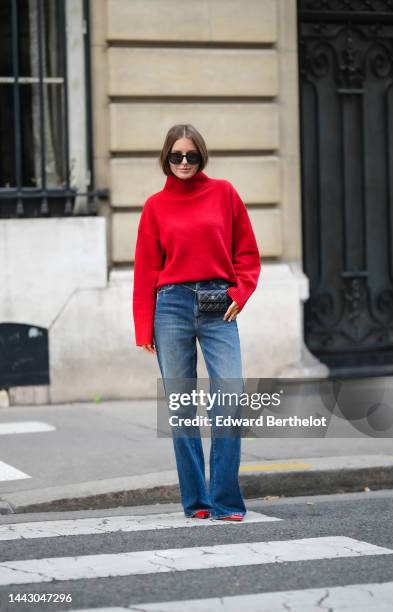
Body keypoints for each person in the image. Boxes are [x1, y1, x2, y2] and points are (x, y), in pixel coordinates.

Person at [132, 124, 261, 521]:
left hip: (218, 305)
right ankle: (198, 502)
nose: (184, 163)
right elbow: (145, 268)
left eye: (191, 155)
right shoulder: (155, 206)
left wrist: (242, 292)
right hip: (170, 307)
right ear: (166, 159)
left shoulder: (224, 193)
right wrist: (143, 327)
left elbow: (247, 252)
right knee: (182, 408)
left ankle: (226, 500)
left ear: (201, 156)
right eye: (176, 156)